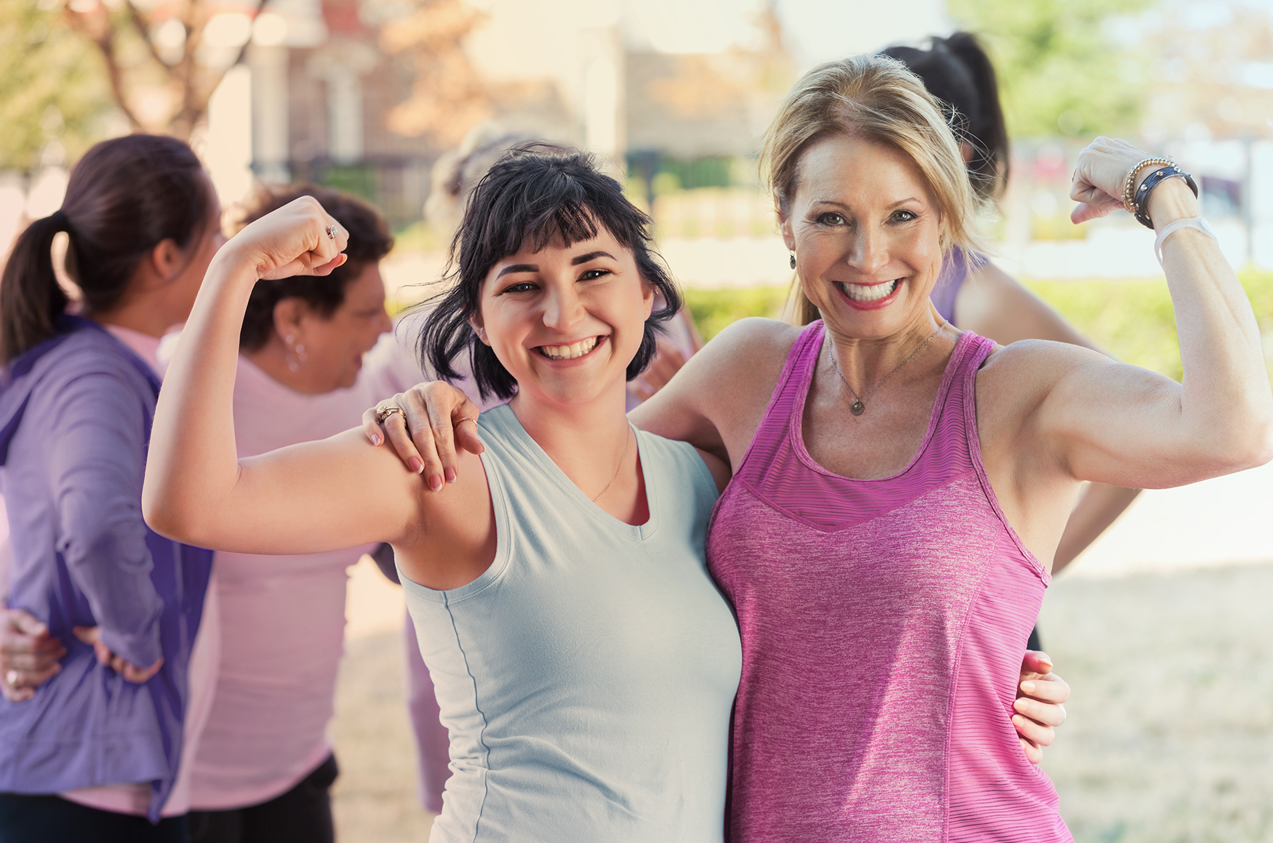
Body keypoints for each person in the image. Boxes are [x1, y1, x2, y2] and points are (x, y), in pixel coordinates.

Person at [370, 55, 1272, 840]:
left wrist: (1161, 193)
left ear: (947, 220)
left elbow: (1234, 427)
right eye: (832, 217)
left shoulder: (1018, 392)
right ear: (786, 222)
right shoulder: (744, 373)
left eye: (904, 216)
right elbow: (576, 500)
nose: (867, 254)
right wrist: (440, 413)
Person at [142, 147, 743, 841]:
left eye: (594, 271)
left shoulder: (706, 478)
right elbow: (190, 502)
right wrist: (233, 268)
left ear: (647, 293)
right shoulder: (443, 471)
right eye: (522, 285)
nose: (562, 310)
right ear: (479, 322)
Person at [0, 134, 221, 840]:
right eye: (214, 235)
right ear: (165, 256)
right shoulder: (94, 376)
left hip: (97, 776)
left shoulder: (97, 362)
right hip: (83, 787)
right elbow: (94, 523)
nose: (221, 251)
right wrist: (136, 631)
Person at [885, 32, 1141, 581]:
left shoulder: (978, 296)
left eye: (889, 138)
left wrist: (1020, 580)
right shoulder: (851, 279)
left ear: (955, 157)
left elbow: (1135, 437)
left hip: (969, 632)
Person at [182, 185, 394, 843]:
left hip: (298, 769)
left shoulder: (369, 399)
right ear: (294, 319)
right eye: (367, 312)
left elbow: (397, 548)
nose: (385, 329)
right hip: (185, 783)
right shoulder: (188, 396)